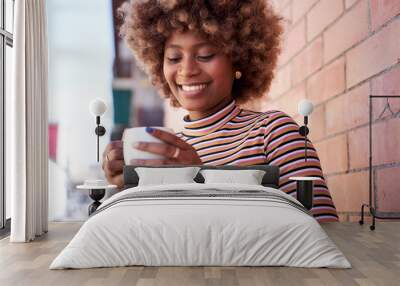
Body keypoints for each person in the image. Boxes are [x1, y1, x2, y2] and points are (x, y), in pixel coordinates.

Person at [102, 0, 338, 222]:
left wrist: (199, 180)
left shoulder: (274, 132)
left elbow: (320, 228)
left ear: (238, 58)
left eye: (205, 55)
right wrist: (124, 192)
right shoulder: (165, 152)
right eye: (173, 58)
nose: (187, 70)